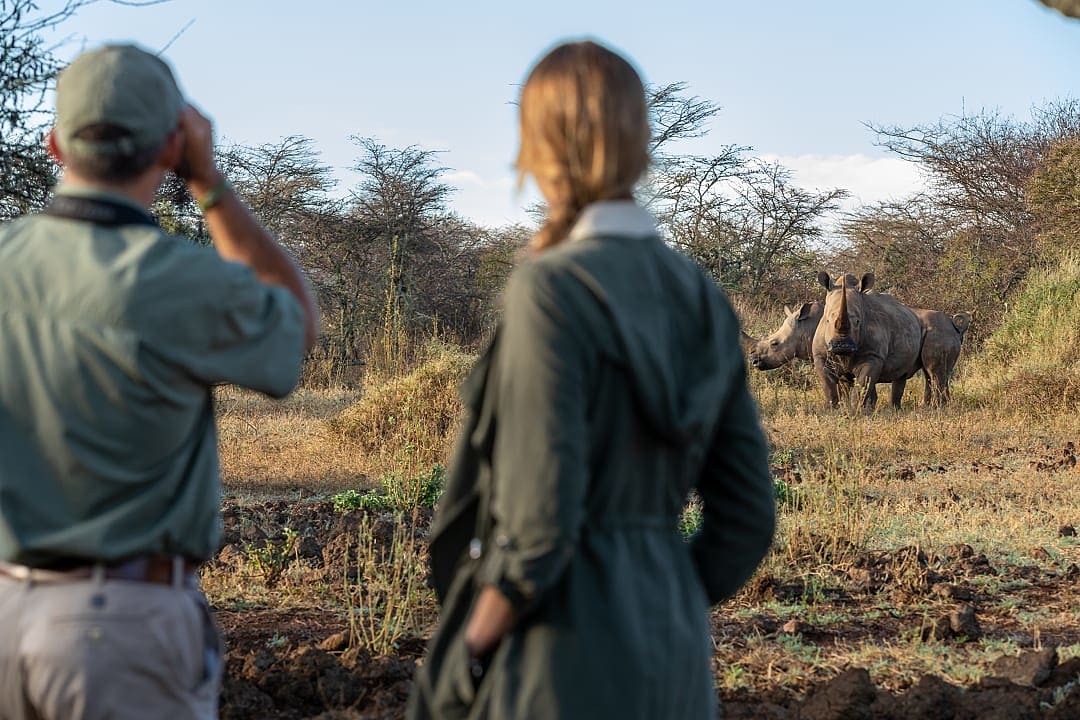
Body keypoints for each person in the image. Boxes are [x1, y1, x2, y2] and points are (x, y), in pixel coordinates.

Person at [408, 39, 775, 719]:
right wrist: (660, 595)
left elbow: (539, 530)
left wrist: (471, 651)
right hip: (675, 664)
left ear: (540, 147)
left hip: (559, 662)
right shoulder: (700, 295)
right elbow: (747, 520)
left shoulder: (549, 289)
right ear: (641, 142)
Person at [0, 44, 319, 719]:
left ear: (55, 144)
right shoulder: (186, 279)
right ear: (173, 145)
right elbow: (296, 331)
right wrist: (212, 185)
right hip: (120, 633)